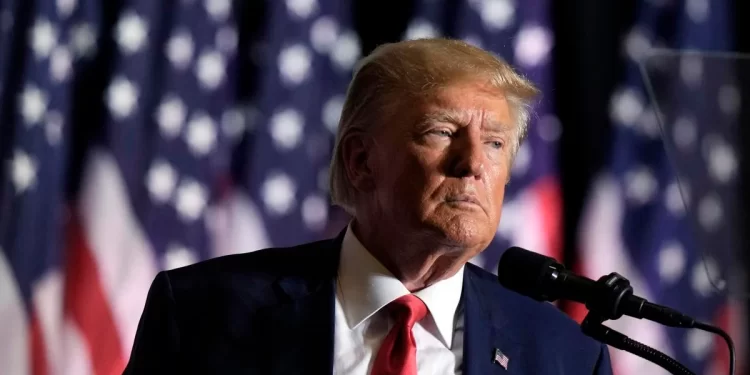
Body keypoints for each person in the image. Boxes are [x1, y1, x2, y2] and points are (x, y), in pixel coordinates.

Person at [123, 38, 613, 375]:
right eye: (442, 132)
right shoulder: (201, 312)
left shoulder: (563, 354)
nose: (473, 164)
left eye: (496, 144)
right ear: (360, 160)